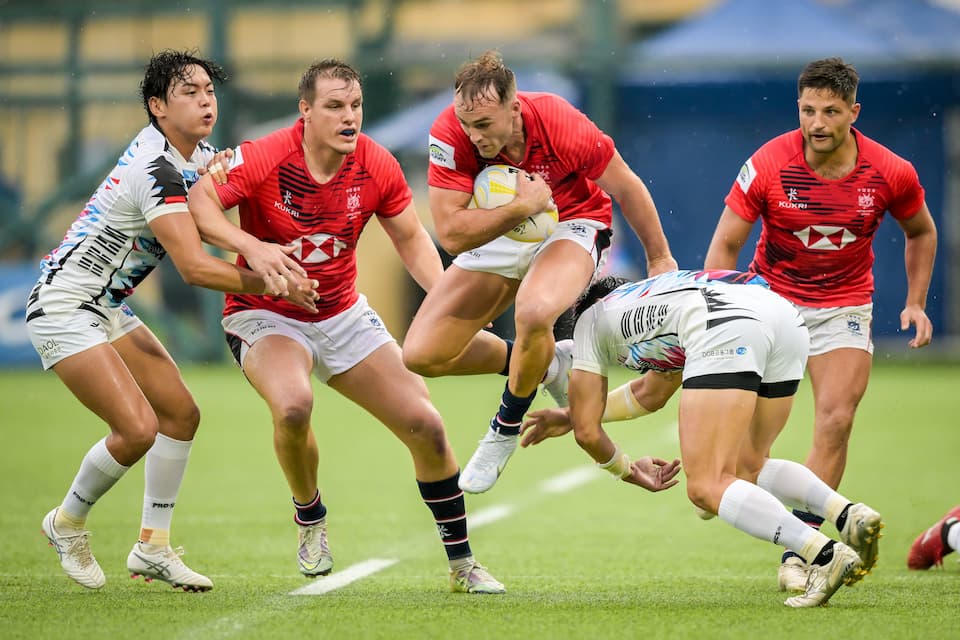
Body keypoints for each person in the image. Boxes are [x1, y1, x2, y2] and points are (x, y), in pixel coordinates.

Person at [187, 58, 505, 594]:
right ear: (305, 111)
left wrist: (447, 301)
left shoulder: (375, 164)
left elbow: (410, 238)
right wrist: (252, 248)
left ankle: (462, 564)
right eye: (334, 106)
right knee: (293, 405)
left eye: (355, 105)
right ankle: (309, 515)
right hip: (264, 313)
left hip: (341, 311)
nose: (348, 117)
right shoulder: (265, 156)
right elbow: (202, 201)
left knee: (425, 424)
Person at [28, 50, 315, 592]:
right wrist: (276, 281)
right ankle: (66, 523)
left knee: (180, 415)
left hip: (105, 306)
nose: (206, 100)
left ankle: (152, 547)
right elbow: (194, 267)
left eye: (209, 89)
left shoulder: (200, 156)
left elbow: (215, 219)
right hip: (65, 303)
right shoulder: (155, 169)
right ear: (158, 106)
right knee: (136, 428)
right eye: (189, 92)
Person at [702, 57, 937, 591]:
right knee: (745, 458)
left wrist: (917, 301)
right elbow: (726, 244)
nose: (818, 123)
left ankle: (806, 551)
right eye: (808, 110)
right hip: (770, 302)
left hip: (844, 306)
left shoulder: (890, 171)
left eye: (831, 111)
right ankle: (720, 481)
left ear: (854, 112)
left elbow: (921, 231)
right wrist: (720, 307)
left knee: (836, 419)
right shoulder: (767, 163)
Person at [401, 50, 677, 494]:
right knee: (421, 354)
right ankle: (541, 363)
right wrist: (523, 206)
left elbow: (625, 184)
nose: (473, 136)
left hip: (573, 220)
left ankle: (502, 430)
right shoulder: (448, 133)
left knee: (534, 312)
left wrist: (660, 258)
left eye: (484, 125)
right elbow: (451, 234)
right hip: (507, 225)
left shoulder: (559, 121)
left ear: (515, 107)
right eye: (467, 124)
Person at [521, 270, 884, 607]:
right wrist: (571, 415)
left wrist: (627, 470)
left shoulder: (587, 322)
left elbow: (588, 433)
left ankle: (824, 555)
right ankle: (847, 513)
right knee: (749, 466)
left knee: (706, 487)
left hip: (723, 325)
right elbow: (650, 393)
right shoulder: (653, 298)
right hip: (783, 316)